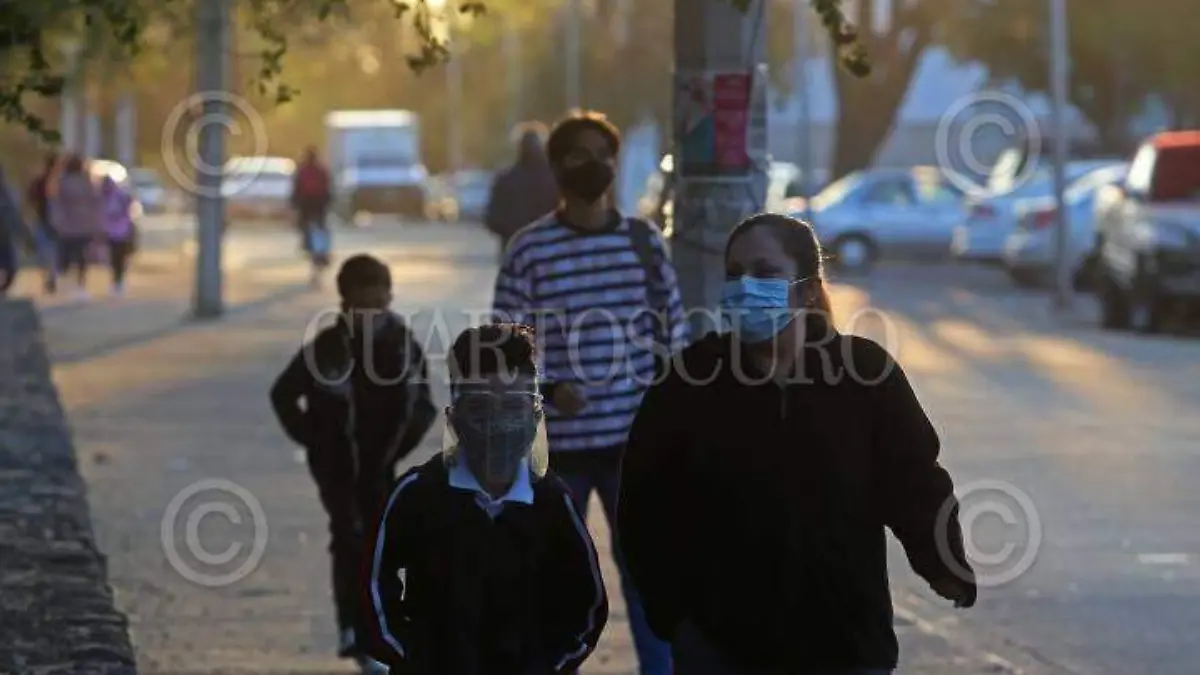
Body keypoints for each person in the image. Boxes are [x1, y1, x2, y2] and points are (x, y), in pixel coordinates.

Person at [617, 213, 977, 675]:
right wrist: (672, 615)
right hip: (721, 646)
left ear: (807, 289)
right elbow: (644, 503)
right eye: (735, 273)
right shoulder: (692, 377)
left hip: (843, 640)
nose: (746, 286)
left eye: (765, 272)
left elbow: (913, 480)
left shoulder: (863, 372)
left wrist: (943, 562)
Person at [491, 110, 688, 675]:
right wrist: (549, 387)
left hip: (635, 445)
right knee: (556, 578)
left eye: (603, 155)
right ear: (556, 167)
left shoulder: (644, 243)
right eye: (579, 155)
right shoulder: (531, 249)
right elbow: (503, 340)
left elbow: (673, 335)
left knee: (648, 575)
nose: (593, 165)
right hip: (559, 449)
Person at [363, 323, 609, 675]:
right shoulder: (419, 494)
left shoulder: (550, 501)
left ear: (533, 414)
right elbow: (372, 587)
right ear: (456, 415)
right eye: (481, 409)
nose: (498, 426)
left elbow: (585, 603)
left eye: (512, 408)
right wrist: (412, 658)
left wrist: (550, 665)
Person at [268, 254, 436, 668]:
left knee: (383, 544)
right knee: (348, 538)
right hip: (337, 466)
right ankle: (354, 631)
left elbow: (424, 405)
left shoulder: (402, 343)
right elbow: (283, 394)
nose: (373, 316)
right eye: (365, 306)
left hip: (382, 463)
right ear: (346, 303)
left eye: (380, 305)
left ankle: (379, 630)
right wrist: (314, 439)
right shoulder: (327, 346)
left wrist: (399, 446)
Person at [483, 121, 559, 259]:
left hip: (514, 251)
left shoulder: (505, 180)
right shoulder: (555, 179)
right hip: (549, 250)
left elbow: (491, 219)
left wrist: (511, 232)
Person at [48, 155, 102, 300]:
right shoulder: (87, 183)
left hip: (67, 227)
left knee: (66, 254)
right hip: (84, 226)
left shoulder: (62, 182)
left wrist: (57, 221)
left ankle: (64, 280)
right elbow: (96, 203)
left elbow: (55, 202)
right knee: (82, 256)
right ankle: (80, 284)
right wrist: (96, 224)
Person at [291, 147, 334, 284]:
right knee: (321, 229)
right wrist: (329, 202)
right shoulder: (322, 170)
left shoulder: (302, 170)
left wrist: (294, 204)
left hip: (306, 204)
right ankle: (323, 253)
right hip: (319, 204)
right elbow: (329, 187)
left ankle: (309, 248)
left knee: (305, 228)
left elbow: (296, 188)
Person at [98, 175, 137, 297]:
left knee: (118, 258)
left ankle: (118, 280)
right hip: (115, 232)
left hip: (120, 232)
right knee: (115, 258)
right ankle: (117, 280)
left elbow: (129, 204)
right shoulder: (105, 197)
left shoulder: (118, 196)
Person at [27, 154, 59, 294]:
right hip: (55, 221)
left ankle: (48, 276)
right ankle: (51, 276)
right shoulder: (58, 181)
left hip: (42, 218)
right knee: (52, 249)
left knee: (43, 250)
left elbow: (31, 197)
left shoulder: (40, 181)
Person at [0, 167, 26, 297]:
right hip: (6, 234)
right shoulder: (9, 192)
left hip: (5, 234)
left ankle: (3, 289)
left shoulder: (8, 192)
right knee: (10, 266)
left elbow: (14, 212)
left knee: (10, 267)